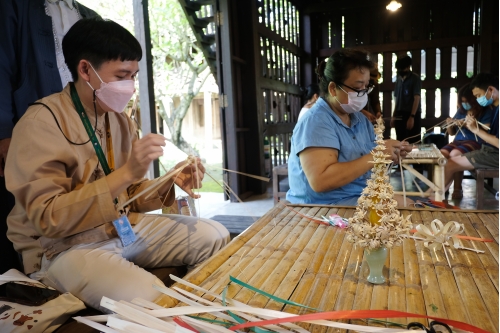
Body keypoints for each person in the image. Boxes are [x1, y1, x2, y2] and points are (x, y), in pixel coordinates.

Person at [5, 18, 229, 310]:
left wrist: (170, 182)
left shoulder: (120, 120)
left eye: (134, 76)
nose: (131, 87)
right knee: (153, 300)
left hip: (118, 228)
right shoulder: (40, 123)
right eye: (122, 76)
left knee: (215, 236)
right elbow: (48, 218)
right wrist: (126, 173)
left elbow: (129, 195)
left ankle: (206, 314)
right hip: (62, 248)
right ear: (85, 69)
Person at [0, 0, 99, 274]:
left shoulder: (89, 15)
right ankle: (31, 278)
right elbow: (2, 66)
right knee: (27, 207)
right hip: (30, 130)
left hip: (80, 129)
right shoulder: (15, 7)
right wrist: (4, 132)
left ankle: (78, 259)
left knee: (76, 195)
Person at [286, 48, 412, 206]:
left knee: (410, 206)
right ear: (333, 88)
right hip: (322, 206)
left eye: (367, 87)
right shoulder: (315, 122)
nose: (363, 94)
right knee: (403, 209)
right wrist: (377, 154)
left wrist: (391, 154)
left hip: (357, 195)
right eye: (358, 87)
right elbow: (320, 181)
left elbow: (367, 164)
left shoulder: (360, 119)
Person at [438, 73, 499, 194]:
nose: (478, 99)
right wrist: (451, 123)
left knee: (452, 161)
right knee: (445, 158)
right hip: (489, 151)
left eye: (479, 95)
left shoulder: (489, 110)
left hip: (493, 153)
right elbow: (451, 133)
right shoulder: (495, 108)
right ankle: (433, 197)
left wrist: (474, 129)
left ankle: (432, 197)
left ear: (491, 89)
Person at [391, 55, 422, 144]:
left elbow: (416, 98)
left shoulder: (415, 78)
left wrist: (412, 117)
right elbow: (396, 99)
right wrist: (394, 116)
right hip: (399, 113)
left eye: (402, 68)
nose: (400, 71)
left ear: (408, 67)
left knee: (413, 141)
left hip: (412, 113)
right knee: (400, 140)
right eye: (399, 69)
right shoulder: (398, 80)